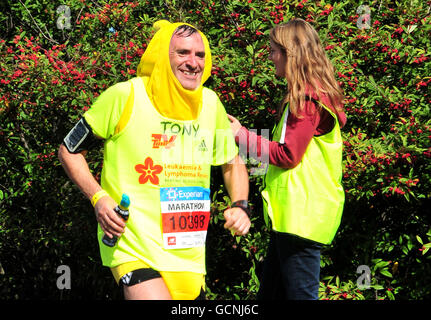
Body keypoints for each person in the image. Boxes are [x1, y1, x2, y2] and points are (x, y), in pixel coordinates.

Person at [58, 20, 251, 300]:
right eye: (182, 53)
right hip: (134, 246)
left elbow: (231, 161)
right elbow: (68, 150)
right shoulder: (125, 96)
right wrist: (98, 198)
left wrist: (240, 205)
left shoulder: (210, 104)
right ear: (162, 55)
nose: (193, 63)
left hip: (189, 254)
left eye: (200, 55)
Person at [228, 18, 347, 300]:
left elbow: (287, 155)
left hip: (301, 217)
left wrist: (240, 135)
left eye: (273, 51)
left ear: (290, 53)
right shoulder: (308, 96)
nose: (270, 58)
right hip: (293, 218)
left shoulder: (307, 100)